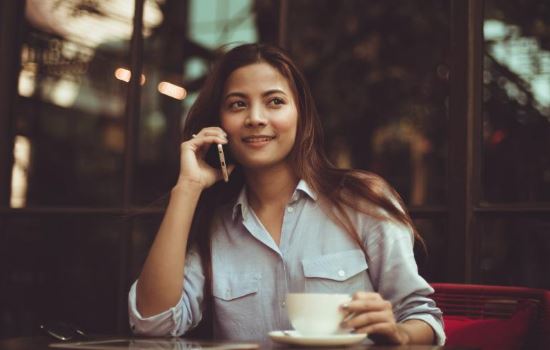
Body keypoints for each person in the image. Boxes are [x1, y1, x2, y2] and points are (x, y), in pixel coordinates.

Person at [128, 43, 445, 345]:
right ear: (220, 123)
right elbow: (152, 324)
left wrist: (399, 334)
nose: (255, 118)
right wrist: (187, 189)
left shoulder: (362, 202)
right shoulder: (214, 226)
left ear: (300, 115)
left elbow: (423, 317)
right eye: (238, 104)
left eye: (275, 101)